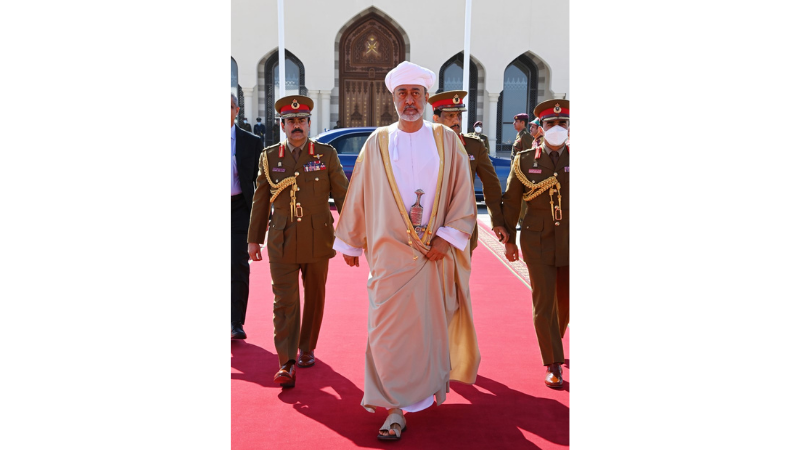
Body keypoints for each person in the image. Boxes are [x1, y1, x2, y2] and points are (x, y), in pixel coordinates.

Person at [334, 61, 480, 441]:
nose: (409, 100)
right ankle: (393, 406)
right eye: (403, 93)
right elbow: (359, 192)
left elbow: (463, 192)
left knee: (427, 331)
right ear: (393, 99)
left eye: (416, 93)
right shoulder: (377, 142)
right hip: (388, 255)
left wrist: (447, 238)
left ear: (427, 98)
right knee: (386, 332)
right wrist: (351, 241)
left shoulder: (447, 140)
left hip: (434, 254)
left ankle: (416, 397)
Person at [247, 95, 349, 388]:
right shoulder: (269, 157)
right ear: (282, 125)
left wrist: (352, 236)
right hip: (281, 240)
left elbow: (343, 196)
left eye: (301, 120)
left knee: (315, 297)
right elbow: (260, 200)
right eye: (290, 121)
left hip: (318, 239)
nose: (296, 125)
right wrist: (254, 239)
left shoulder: (325, 155)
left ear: (309, 123)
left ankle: (307, 347)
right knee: (284, 302)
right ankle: (286, 361)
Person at [501, 99, 570, 389]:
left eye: (563, 123)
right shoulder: (526, 159)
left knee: (565, 301)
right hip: (537, 239)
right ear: (541, 127)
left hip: (572, 240)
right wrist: (508, 239)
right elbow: (511, 201)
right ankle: (553, 363)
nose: (557, 128)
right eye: (551, 123)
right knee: (544, 302)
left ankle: (555, 340)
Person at [429, 90, 509, 254]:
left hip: (462, 226)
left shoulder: (474, 146)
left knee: (461, 271)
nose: (456, 121)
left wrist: (497, 221)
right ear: (436, 118)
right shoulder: (425, 145)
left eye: (459, 116)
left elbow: (491, 185)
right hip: (430, 226)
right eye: (450, 116)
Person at [231, 94, 262, 340]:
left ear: (237, 110)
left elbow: (259, 182)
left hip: (239, 208)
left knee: (238, 265)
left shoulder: (251, 142)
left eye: (228, 107)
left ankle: (235, 322)